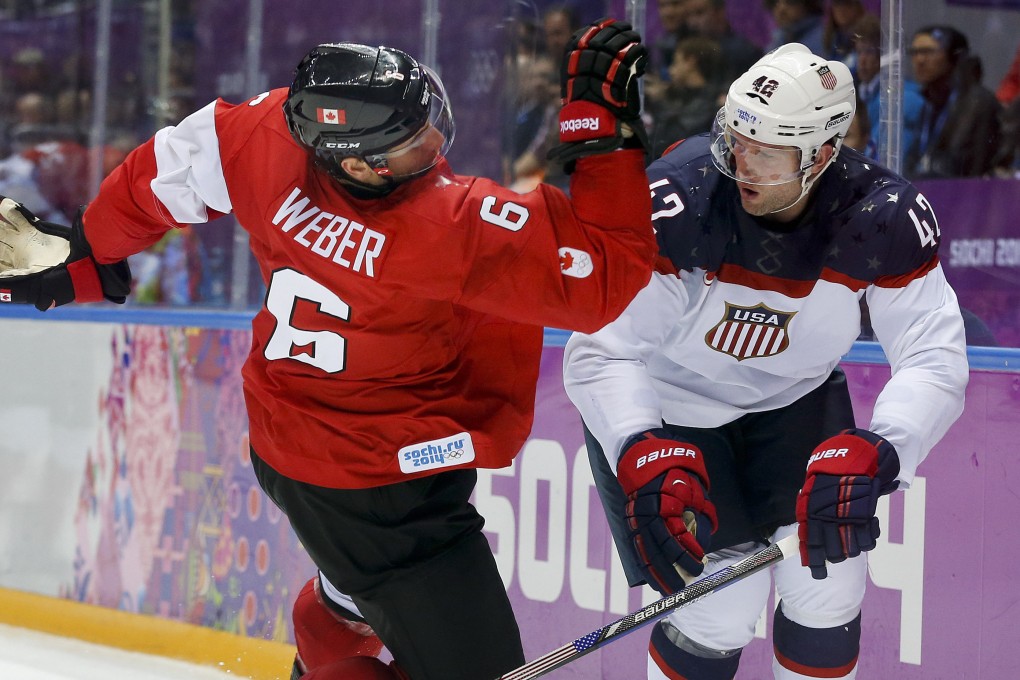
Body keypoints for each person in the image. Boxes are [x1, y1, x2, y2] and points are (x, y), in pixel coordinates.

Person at [0, 21, 656, 680]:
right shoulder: (446, 227)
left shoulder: (266, 135)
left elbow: (163, 171)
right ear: (357, 163)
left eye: (427, 116)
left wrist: (92, 247)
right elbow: (604, 281)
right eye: (411, 141)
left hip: (293, 445)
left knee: (352, 584)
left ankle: (343, 596)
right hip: (383, 491)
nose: (435, 139)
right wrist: (604, 133)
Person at [563, 43, 968, 679]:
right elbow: (599, 348)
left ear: (823, 155)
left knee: (828, 580)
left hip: (795, 402)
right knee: (717, 607)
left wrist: (885, 447)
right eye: (736, 139)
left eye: (768, 150)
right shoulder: (684, 197)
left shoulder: (880, 216)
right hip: (671, 410)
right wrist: (636, 443)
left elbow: (933, 356)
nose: (741, 164)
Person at [904, 25, 1001, 179]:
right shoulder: (929, 101)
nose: (919, 60)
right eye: (914, 52)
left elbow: (975, 171)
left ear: (954, 57)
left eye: (928, 52)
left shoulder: (978, 103)